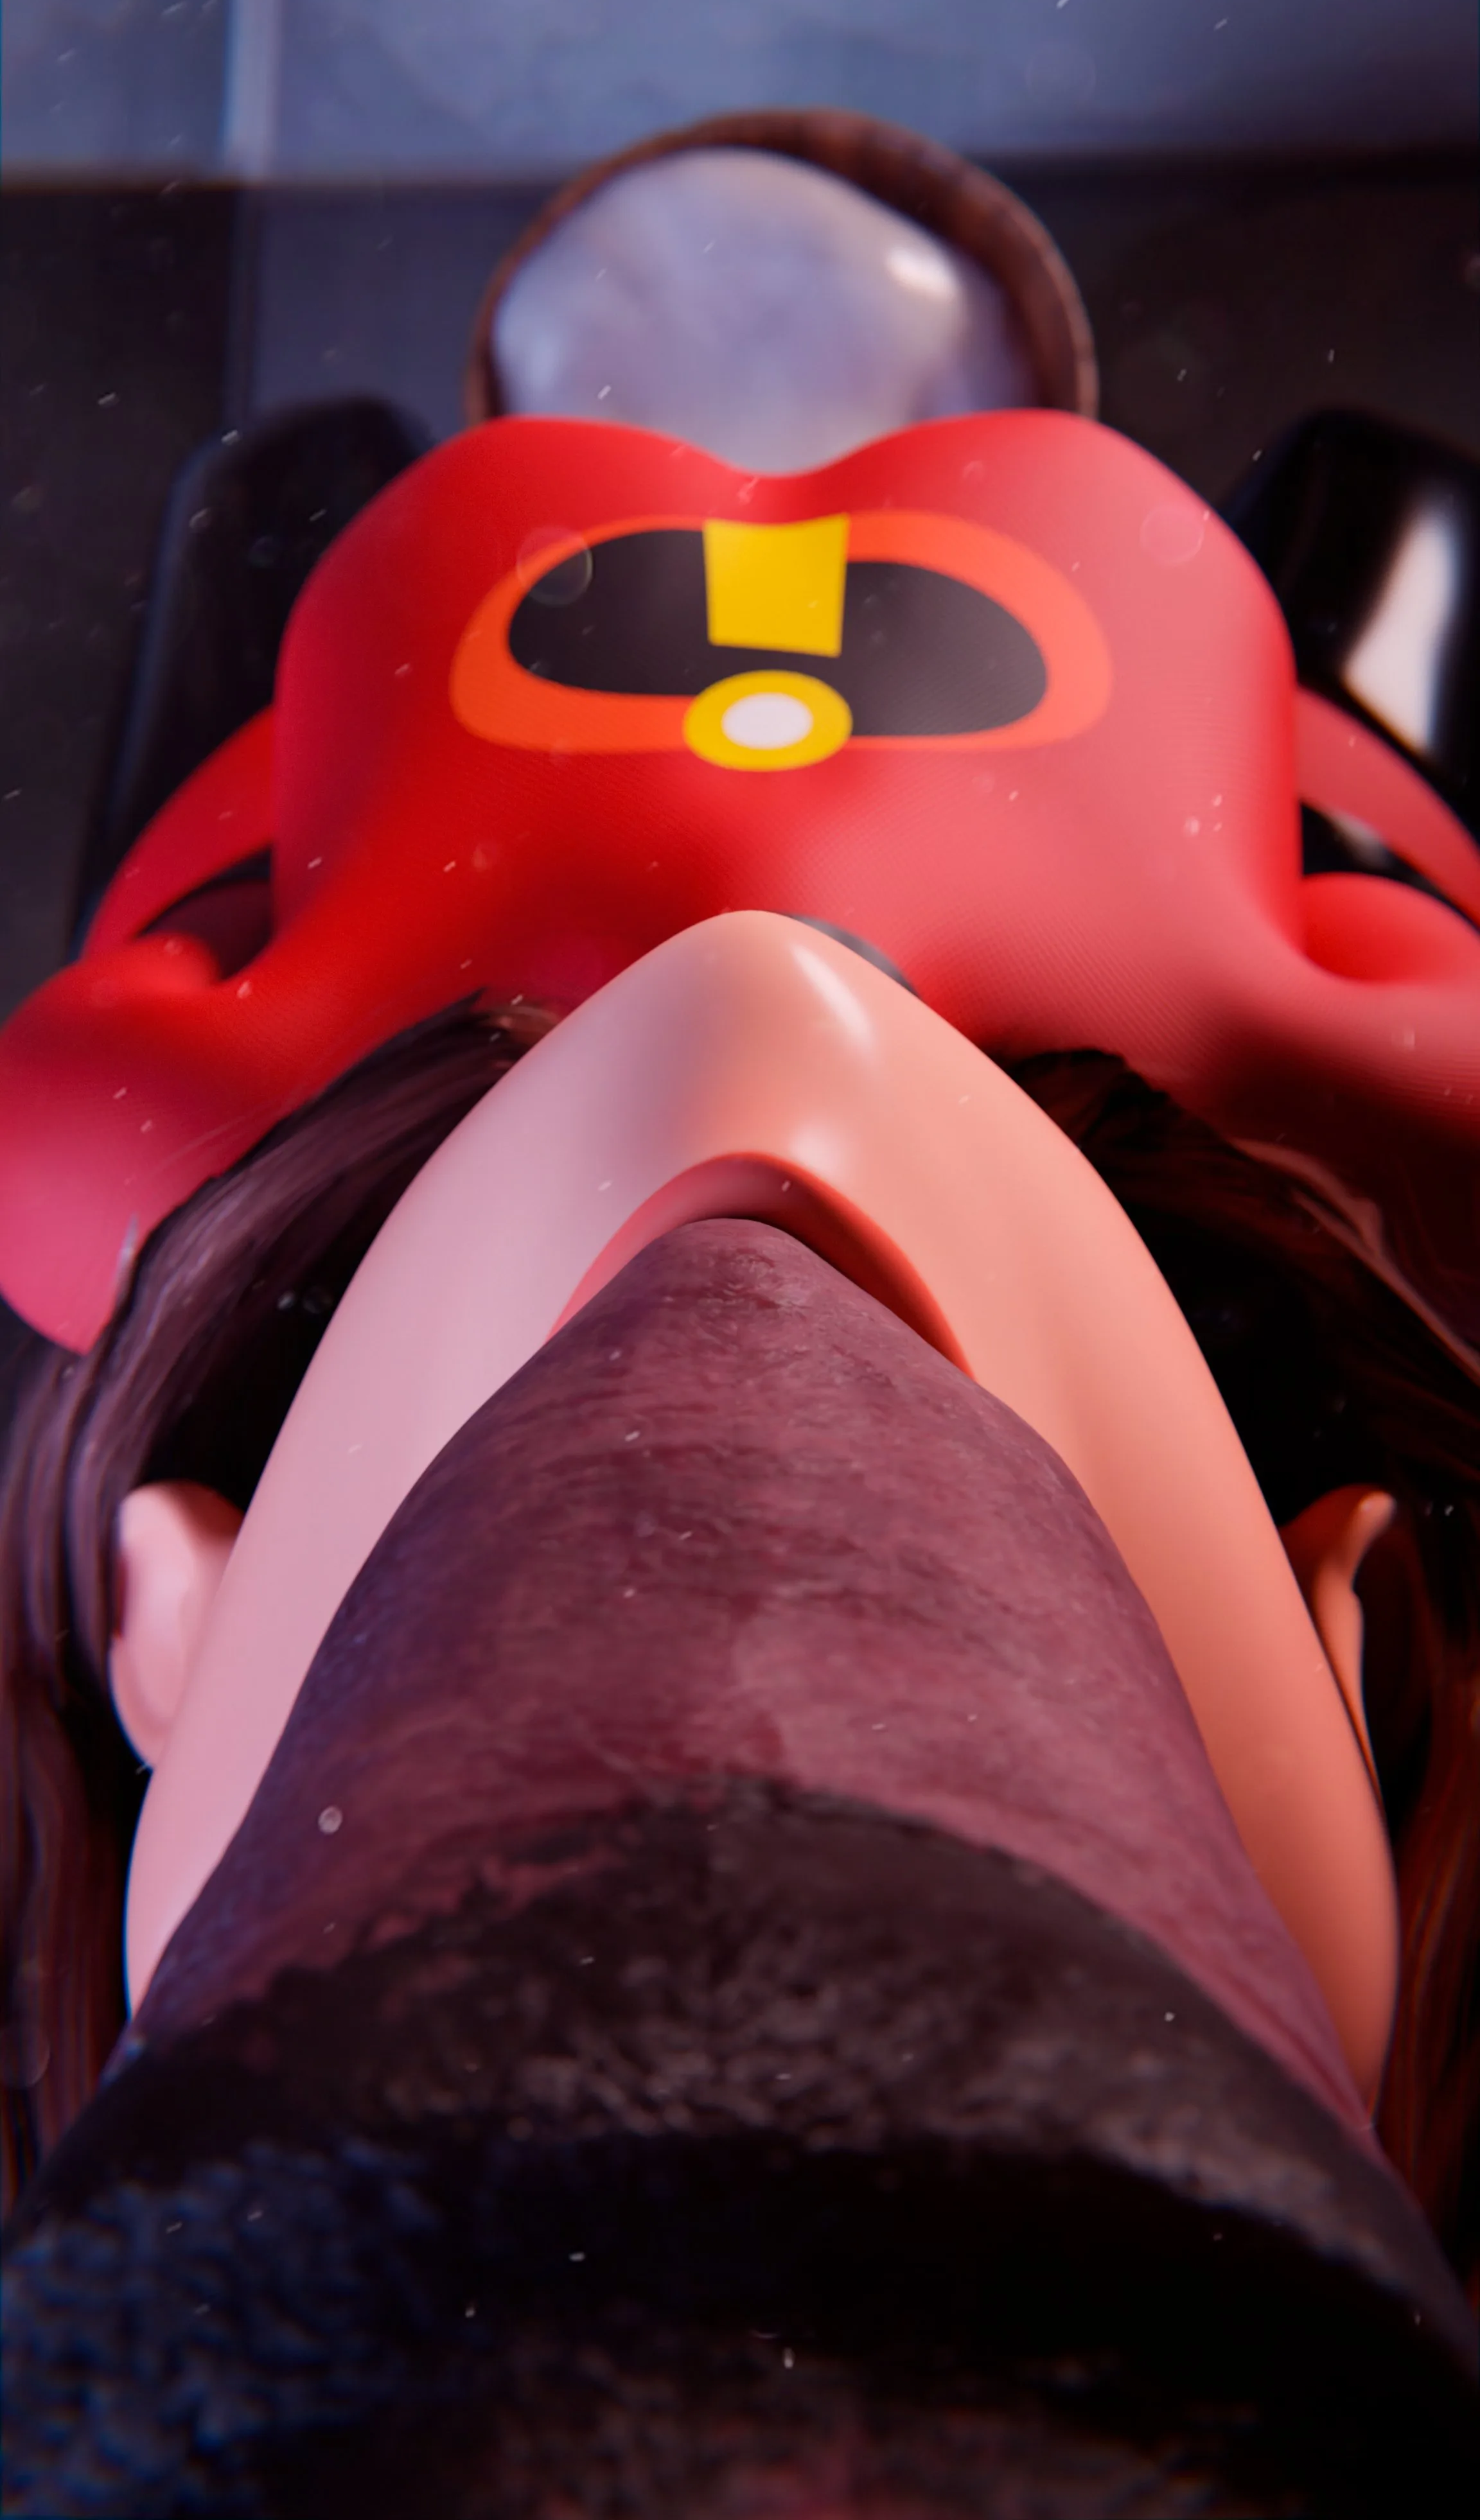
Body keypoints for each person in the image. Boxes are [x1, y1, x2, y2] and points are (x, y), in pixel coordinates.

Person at [3, 120, 1477, 2516]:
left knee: (269, 526)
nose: (744, 1335)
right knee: (1396, 542)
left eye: (484, 1669)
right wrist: (1303, 947)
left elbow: (124, 1030)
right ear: (1353, 1662)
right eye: (1023, 1741)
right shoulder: (1334, 1134)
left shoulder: (206, 1165)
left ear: (183, 1631)